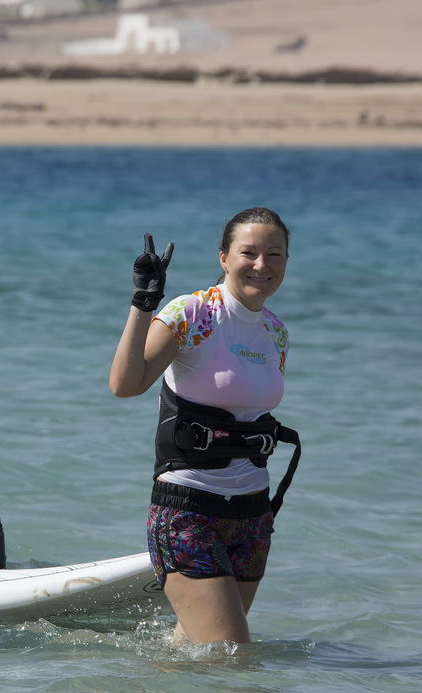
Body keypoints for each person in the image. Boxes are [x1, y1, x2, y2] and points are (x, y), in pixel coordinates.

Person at [109, 207, 301, 645]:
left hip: (252, 515)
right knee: (231, 655)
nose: (262, 265)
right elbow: (125, 384)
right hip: (188, 510)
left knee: (200, 657)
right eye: (248, 253)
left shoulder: (275, 331)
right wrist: (143, 303)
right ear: (224, 258)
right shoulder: (193, 313)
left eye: (274, 255)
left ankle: (137, 686)